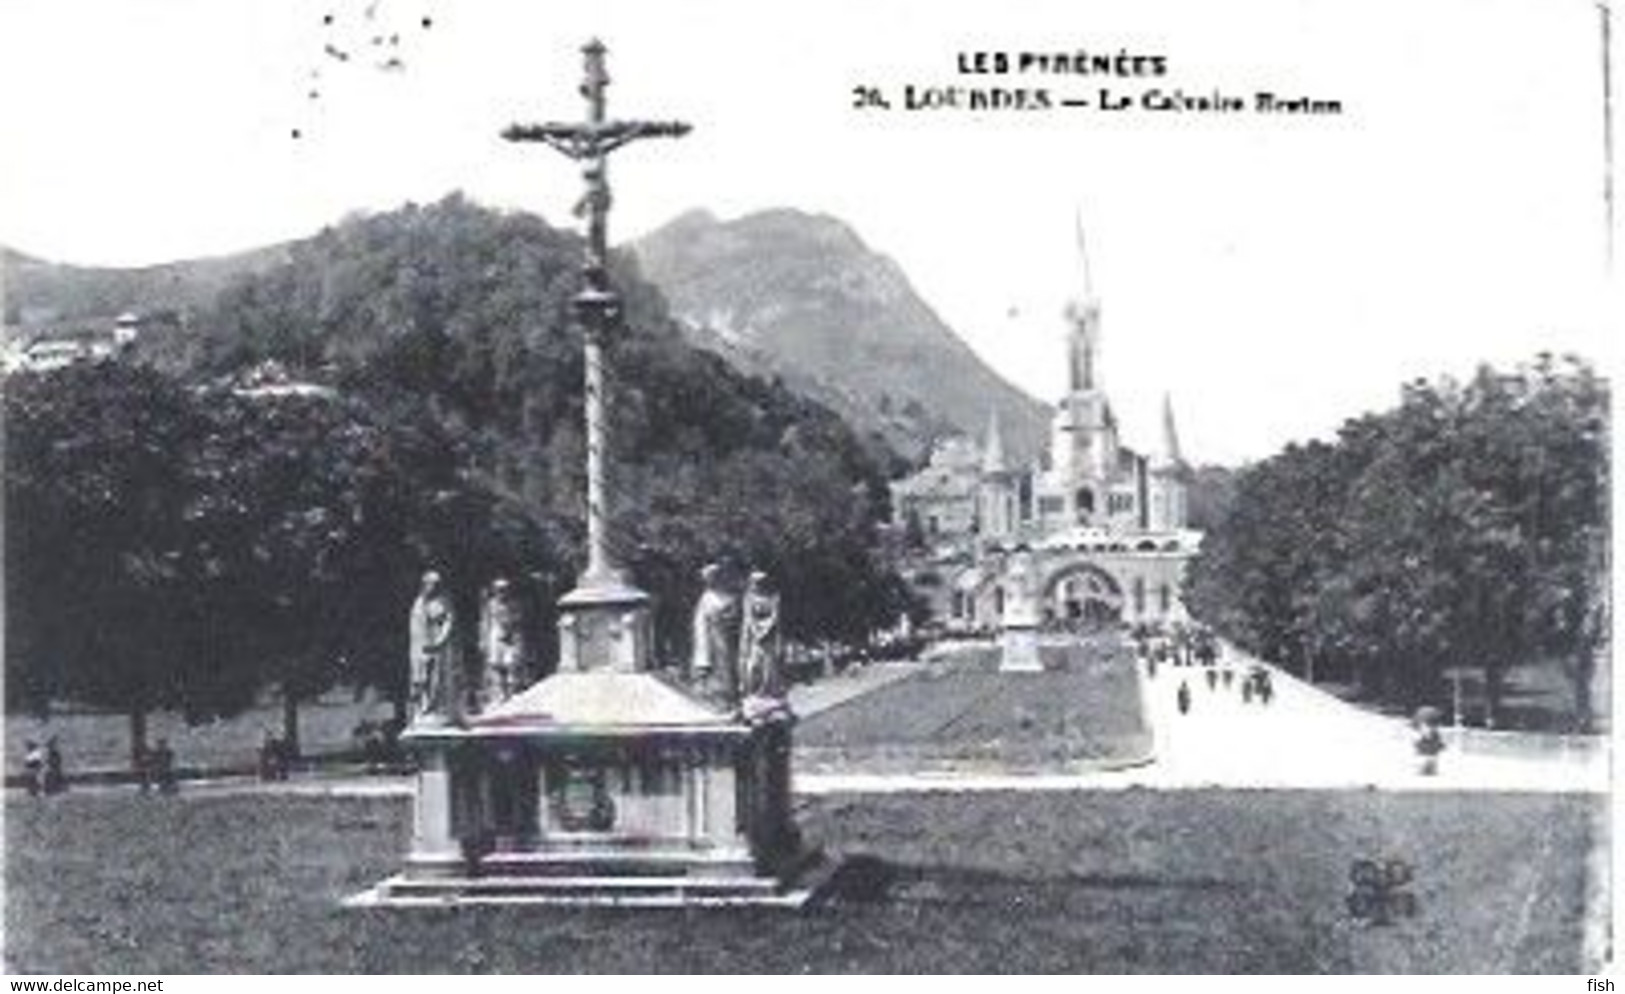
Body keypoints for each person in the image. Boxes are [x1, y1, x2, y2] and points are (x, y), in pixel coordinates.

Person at [408, 570, 457, 722]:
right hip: (419, 645)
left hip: (437, 646)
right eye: (429, 583)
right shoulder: (418, 602)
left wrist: (439, 641)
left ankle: (434, 709)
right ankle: (420, 708)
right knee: (420, 678)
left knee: (436, 678)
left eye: (435, 584)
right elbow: (415, 625)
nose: (432, 587)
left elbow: (449, 622)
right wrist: (420, 644)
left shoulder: (444, 601)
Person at [690, 563, 740, 705]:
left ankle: (728, 695)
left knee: (726, 663)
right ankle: (714, 695)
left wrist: (726, 617)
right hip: (710, 635)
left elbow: (735, 615)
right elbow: (700, 620)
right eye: (710, 579)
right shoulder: (706, 597)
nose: (713, 581)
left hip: (727, 636)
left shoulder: (730, 596)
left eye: (715, 578)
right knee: (712, 663)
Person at [738, 570, 785, 703]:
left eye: (760, 582)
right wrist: (756, 632)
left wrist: (765, 631)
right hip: (753, 636)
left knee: (769, 666)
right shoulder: (748, 597)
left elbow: (775, 616)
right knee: (752, 666)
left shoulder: (774, 597)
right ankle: (752, 693)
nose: (757, 585)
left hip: (769, 635)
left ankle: (768, 694)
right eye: (755, 582)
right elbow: (749, 617)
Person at [479, 577, 526, 710]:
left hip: (511, 636)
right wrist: (483, 639)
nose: (501, 592)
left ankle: (513, 692)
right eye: (499, 590)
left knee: (511, 664)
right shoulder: (490, 604)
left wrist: (510, 626)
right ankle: (500, 695)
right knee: (496, 666)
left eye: (504, 590)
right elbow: (485, 621)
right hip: (495, 634)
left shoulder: (514, 604)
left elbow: (519, 618)